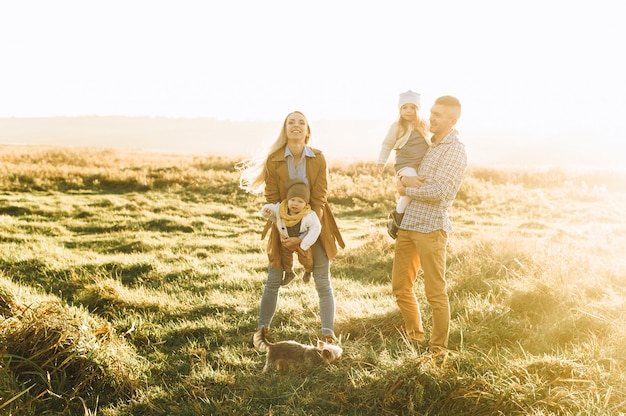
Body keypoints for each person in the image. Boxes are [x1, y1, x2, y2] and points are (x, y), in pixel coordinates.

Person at [238, 111, 344, 342]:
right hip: (282, 224)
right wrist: (285, 228)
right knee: (273, 278)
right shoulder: (274, 158)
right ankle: (261, 331)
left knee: (323, 281)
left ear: (308, 130)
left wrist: (306, 233)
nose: (296, 126)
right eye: (291, 123)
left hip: (315, 223)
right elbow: (271, 196)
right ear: (285, 128)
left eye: (301, 123)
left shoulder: (318, 158)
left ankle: (327, 334)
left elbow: (320, 196)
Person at [391, 95, 467, 353]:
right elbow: (405, 177)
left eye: (438, 115)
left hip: (432, 228)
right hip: (409, 225)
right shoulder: (427, 144)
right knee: (400, 287)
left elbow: (441, 192)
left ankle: (438, 349)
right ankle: (414, 337)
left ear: (452, 120)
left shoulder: (455, 150)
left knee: (435, 292)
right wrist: (404, 183)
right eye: (432, 113)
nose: (431, 118)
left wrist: (409, 189)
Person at [375, 90, 430, 239]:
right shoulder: (397, 126)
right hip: (405, 164)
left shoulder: (424, 123)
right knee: (412, 185)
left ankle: (410, 218)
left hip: (421, 164)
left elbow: (437, 132)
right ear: (400, 109)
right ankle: (397, 216)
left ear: (417, 109)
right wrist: (381, 162)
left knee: (421, 186)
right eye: (405, 107)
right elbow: (387, 144)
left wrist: (452, 130)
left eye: (412, 107)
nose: (408, 111)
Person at [260, 179, 321, 285]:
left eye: (300, 201)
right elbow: (271, 208)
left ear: (305, 203)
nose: (295, 204)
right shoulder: (281, 209)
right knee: (286, 258)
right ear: (288, 199)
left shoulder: (309, 215)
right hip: (287, 240)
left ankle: (308, 270)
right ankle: (289, 273)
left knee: (305, 258)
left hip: (301, 241)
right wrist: (266, 210)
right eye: (292, 200)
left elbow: (316, 228)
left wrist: (305, 243)